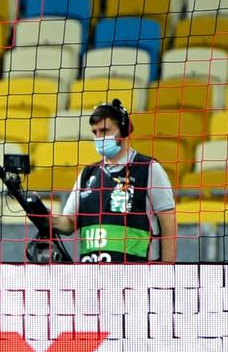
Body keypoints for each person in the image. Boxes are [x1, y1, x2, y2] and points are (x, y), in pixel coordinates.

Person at [52, 100, 178, 263]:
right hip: (91, 278)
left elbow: (169, 225)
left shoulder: (149, 169)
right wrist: (46, 217)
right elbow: (69, 223)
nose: (98, 137)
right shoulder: (87, 174)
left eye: (104, 130)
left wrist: (167, 274)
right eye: (95, 132)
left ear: (124, 131)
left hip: (139, 276)